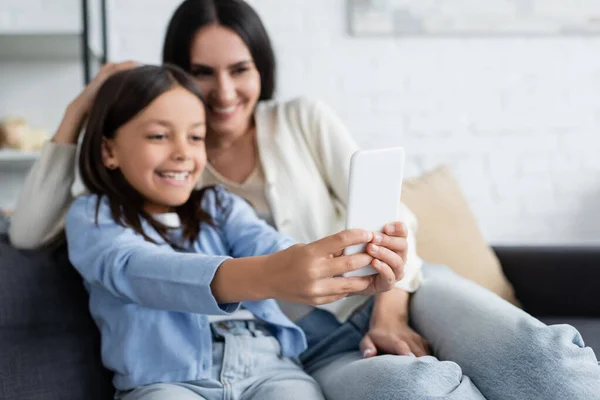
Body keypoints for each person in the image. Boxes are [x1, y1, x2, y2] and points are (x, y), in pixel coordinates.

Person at [10, 0, 600, 399]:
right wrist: (84, 108)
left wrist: (386, 299)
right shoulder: (162, 179)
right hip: (307, 352)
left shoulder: (293, 126)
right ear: (177, 76)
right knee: (420, 389)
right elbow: (40, 232)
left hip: (399, 291)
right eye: (201, 73)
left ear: (260, 67)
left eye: (239, 69)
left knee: (550, 363)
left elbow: (369, 220)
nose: (223, 93)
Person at [66, 64, 404, 399]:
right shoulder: (93, 216)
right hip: (168, 379)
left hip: (268, 365)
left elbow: (270, 245)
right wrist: (270, 274)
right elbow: (138, 270)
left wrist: (341, 263)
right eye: (159, 135)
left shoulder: (218, 205)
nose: (183, 152)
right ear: (109, 150)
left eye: (196, 137)